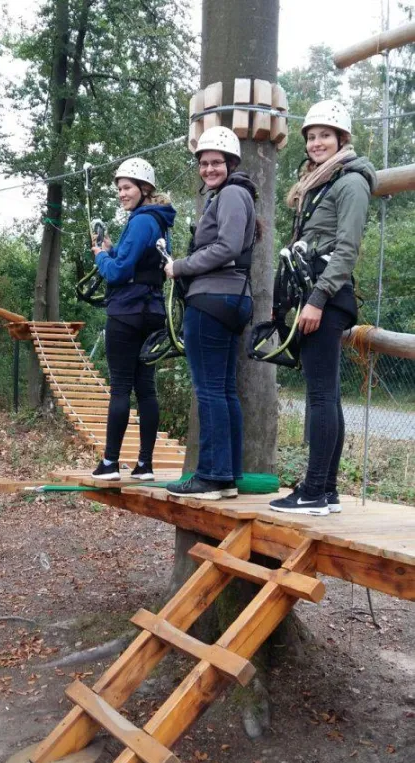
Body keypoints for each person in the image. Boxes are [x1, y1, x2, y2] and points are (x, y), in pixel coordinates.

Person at [269, 100, 376, 516]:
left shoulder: (349, 183)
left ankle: (312, 490)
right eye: (312, 136)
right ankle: (326, 491)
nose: (317, 143)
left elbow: (346, 249)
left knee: (319, 396)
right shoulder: (322, 183)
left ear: (342, 139)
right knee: (327, 395)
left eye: (325, 136)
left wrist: (316, 300)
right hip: (319, 294)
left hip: (327, 297)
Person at [163, 126, 258, 500]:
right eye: (203, 163)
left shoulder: (232, 194)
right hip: (230, 299)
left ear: (230, 163)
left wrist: (181, 266)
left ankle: (211, 476)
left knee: (209, 391)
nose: (208, 169)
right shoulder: (232, 194)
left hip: (212, 300)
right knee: (223, 389)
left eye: (216, 162)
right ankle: (227, 475)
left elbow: (228, 246)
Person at [90, 157, 176, 481]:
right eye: (119, 189)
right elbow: (134, 264)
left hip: (127, 312)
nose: (121, 194)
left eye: (126, 188)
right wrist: (112, 251)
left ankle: (110, 463)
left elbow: (118, 273)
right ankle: (145, 465)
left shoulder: (141, 221)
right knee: (146, 388)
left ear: (144, 188)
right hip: (151, 311)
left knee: (121, 387)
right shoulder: (156, 219)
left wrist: (100, 256)